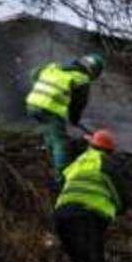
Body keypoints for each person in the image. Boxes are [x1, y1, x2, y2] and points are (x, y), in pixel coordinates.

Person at [54, 128, 129, 262]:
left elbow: (61, 181)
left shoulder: (79, 162)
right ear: (109, 151)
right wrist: (119, 209)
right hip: (85, 215)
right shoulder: (106, 163)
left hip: (62, 214)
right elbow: (121, 194)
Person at [25, 52, 105, 185]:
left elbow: (34, 72)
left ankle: (52, 164)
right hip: (50, 108)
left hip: (33, 104)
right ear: (94, 71)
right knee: (61, 142)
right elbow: (78, 103)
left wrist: (39, 88)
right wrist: (74, 118)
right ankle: (61, 178)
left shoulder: (55, 67)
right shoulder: (82, 79)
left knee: (50, 136)